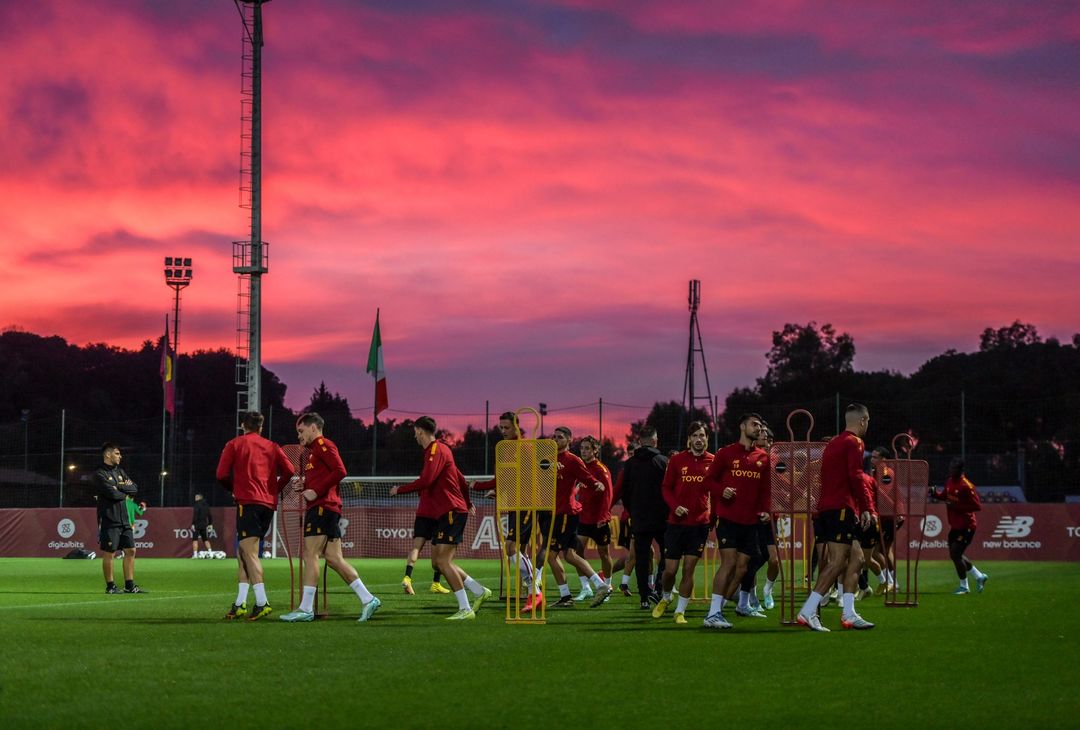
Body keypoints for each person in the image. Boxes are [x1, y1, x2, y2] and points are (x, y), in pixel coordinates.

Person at [280, 412, 381, 623]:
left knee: (310, 555)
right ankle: (368, 599)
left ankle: (305, 609)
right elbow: (326, 475)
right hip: (327, 508)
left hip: (322, 508)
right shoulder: (313, 452)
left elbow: (340, 470)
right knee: (334, 559)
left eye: (301, 431)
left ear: (313, 428)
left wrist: (315, 490)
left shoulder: (323, 444)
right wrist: (306, 485)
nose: (299, 436)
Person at [390, 416, 492, 620]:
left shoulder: (435, 450)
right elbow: (460, 478)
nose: (415, 436)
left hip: (452, 511)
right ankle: (479, 591)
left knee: (444, 562)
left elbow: (426, 480)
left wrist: (399, 490)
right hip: (449, 512)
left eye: (415, 432)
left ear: (420, 431)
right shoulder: (441, 450)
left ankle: (465, 609)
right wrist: (467, 501)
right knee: (437, 563)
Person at [796, 403, 878, 631]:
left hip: (828, 508)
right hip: (841, 508)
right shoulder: (855, 442)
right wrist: (867, 507)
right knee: (837, 562)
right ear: (862, 421)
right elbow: (856, 476)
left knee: (857, 559)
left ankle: (849, 614)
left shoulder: (833, 443)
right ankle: (807, 610)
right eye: (867, 422)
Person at [216, 411, 296, 620]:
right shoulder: (272, 446)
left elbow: (221, 474)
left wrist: (234, 489)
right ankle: (240, 603)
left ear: (243, 425)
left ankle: (262, 602)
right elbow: (290, 470)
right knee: (244, 552)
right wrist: (275, 489)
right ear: (261, 427)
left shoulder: (235, 444)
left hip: (248, 502)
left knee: (249, 552)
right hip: (267, 504)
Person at [527, 426, 611, 609]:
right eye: (554, 436)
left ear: (569, 440)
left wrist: (596, 484)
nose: (555, 439)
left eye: (560, 437)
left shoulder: (572, 460)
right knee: (570, 555)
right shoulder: (547, 459)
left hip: (565, 514)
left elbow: (586, 477)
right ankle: (597, 586)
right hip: (553, 513)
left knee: (551, 555)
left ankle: (572, 593)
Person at [702, 414, 770, 629]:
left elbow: (766, 490)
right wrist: (722, 490)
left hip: (751, 523)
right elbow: (708, 481)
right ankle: (713, 613)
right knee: (729, 564)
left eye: (760, 425)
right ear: (742, 426)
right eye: (754, 424)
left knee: (742, 568)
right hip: (728, 519)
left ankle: (718, 611)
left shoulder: (764, 457)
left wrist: (767, 510)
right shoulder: (725, 453)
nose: (758, 428)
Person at [652, 421, 714, 625]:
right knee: (670, 570)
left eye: (702, 435)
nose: (699, 439)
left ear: (707, 438)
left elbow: (716, 491)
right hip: (676, 524)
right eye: (695, 435)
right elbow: (665, 488)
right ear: (689, 439)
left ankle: (680, 611)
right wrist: (675, 506)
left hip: (700, 525)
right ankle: (666, 596)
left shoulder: (713, 461)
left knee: (688, 569)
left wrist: (714, 516)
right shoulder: (677, 460)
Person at [470, 411, 535, 599]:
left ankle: (534, 586)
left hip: (526, 503)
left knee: (510, 547)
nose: (503, 431)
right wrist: (498, 491)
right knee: (519, 550)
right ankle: (531, 589)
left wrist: (478, 485)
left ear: (516, 427)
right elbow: (511, 478)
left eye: (507, 427)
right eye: (501, 427)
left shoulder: (523, 447)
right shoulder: (507, 448)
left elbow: (508, 478)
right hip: (516, 504)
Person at [619, 426, 670, 609]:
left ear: (640, 442)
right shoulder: (663, 461)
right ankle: (658, 587)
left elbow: (624, 491)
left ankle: (644, 597)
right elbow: (670, 488)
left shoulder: (630, 464)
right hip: (662, 517)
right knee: (667, 554)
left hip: (639, 518)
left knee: (641, 558)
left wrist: (632, 510)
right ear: (655, 441)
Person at [92, 442, 144, 594]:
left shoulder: (120, 471)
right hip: (109, 519)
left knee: (131, 550)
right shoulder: (99, 473)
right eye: (117, 453)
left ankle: (129, 585)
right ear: (107, 454)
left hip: (124, 519)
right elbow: (112, 494)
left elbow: (134, 488)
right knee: (110, 552)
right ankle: (110, 586)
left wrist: (119, 487)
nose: (120, 456)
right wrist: (123, 490)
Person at [931, 459, 988, 595]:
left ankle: (964, 587)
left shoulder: (966, 486)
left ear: (960, 470)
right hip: (955, 525)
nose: (950, 470)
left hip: (966, 526)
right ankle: (979, 576)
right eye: (950, 468)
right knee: (956, 555)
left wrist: (956, 506)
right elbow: (945, 497)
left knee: (956, 554)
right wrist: (935, 494)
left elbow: (977, 506)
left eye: (953, 468)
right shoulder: (950, 481)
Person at [576, 435, 614, 600]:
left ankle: (608, 586)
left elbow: (608, 494)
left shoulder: (600, 469)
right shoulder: (581, 467)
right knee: (576, 552)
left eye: (587, 448)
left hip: (599, 520)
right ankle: (586, 588)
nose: (583, 451)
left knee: (604, 554)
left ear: (595, 450)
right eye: (582, 448)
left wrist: (603, 517)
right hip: (584, 518)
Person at [191, 492, 214, 558]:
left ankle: (195, 555)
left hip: (197, 525)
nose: (195, 498)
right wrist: (210, 524)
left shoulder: (196, 504)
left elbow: (195, 514)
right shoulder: (206, 505)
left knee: (195, 539)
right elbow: (209, 515)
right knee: (205, 539)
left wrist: (193, 524)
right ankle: (210, 554)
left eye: (196, 497)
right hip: (204, 525)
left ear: (199, 498)